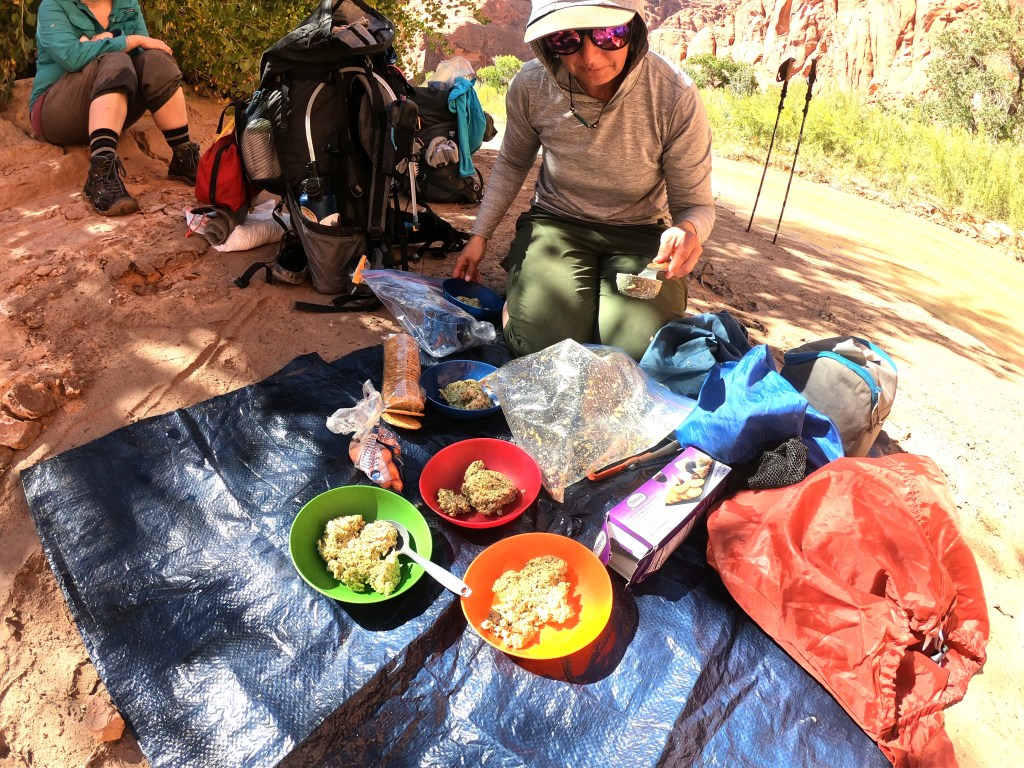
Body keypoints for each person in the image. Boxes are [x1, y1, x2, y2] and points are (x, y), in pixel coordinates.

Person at [452, 0, 716, 361]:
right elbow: (512, 163)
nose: (590, 57)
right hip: (557, 224)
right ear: (547, 43)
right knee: (542, 348)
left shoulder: (674, 95)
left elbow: (695, 205)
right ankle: (532, 297)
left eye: (609, 34)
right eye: (566, 39)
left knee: (634, 354)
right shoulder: (531, 85)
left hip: (641, 237)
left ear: (634, 30)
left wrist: (689, 230)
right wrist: (479, 235)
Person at [29, 0, 201, 216]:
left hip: (111, 105)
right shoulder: (53, 5)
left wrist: (102, 41)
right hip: (58, 112)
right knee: (115, 59)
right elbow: (72, 57)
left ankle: (184, 156)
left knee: (157, 60)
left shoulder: (127, 3)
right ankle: (101, 175)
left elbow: (144, 53)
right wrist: (128, 40)